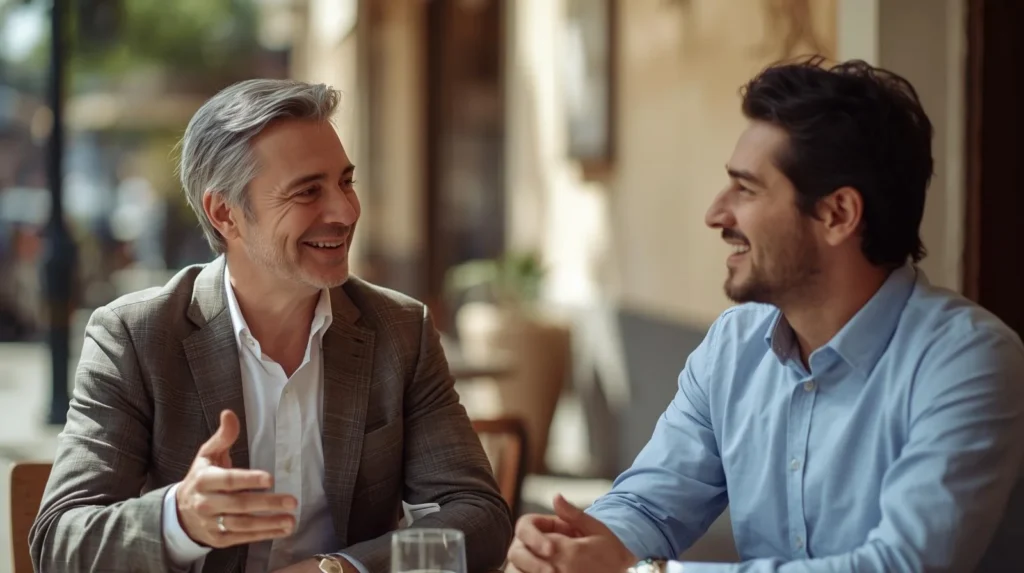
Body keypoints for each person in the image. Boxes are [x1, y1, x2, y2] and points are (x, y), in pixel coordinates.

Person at [506, 57, 1024, 573]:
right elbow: (649, 503)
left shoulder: (969, 360)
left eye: (746, 189)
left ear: (837, 214)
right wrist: (571, 543)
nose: (716, 214)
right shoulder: (733, 345)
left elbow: (901, 565)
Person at [30, 79, 512, 573]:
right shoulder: (134, 336)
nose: (345, 212)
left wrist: (340, 569)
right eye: (308, 191)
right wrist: (180, 519)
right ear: (226, 214)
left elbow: (479, 516)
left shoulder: (401, 330)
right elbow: (60, 542)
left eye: (346, 182)